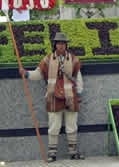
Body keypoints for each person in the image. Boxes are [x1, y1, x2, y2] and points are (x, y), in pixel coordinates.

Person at [20, 32, 84, 162]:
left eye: (63, 43)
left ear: (66, 45)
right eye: (58, 43)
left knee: (72, 126)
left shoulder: (73, 59)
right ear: (55, 45)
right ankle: (52, 153)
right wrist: (27, 74)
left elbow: (78, 76)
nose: (61, 46)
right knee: (54, 126)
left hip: (71, 97)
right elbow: (38, 74)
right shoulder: (48, 59)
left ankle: (73, 152)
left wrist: (80, 92)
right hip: (53, 97)